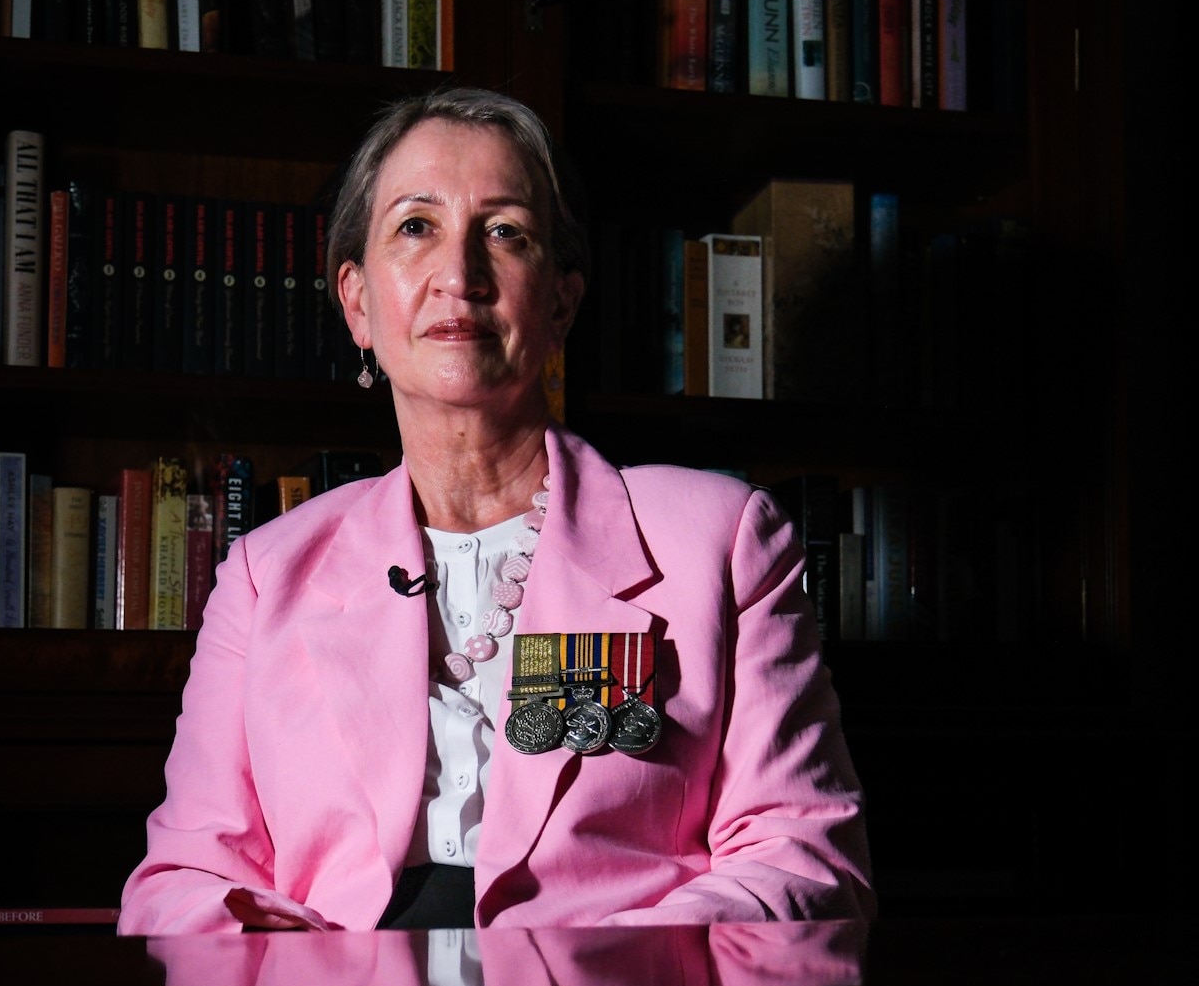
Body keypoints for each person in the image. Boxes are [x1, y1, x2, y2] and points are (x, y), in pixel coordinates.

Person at [119, 87, 873, 934]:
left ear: (560, 301)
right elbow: (180, 880)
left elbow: (802, 856)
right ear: (357, 303)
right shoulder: (265, 575)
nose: (460, 275)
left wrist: (597, 977)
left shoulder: (722, 540)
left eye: (506, 232)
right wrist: (301, 978)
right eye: (415, 227)